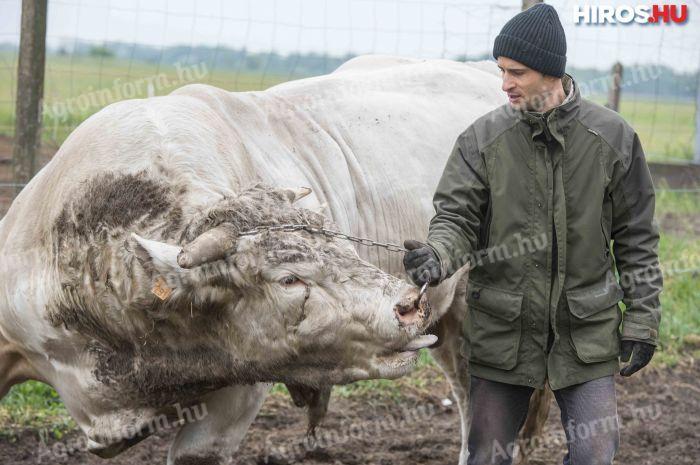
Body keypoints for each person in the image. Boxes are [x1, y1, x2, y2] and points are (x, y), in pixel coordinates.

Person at [403, 4, 662, 465]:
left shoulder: (613, 140)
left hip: (585, 334)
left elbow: (636, 238)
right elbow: (456, 219)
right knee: (486, 456)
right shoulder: (481, 141)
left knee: (595, 455)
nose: (504, 84)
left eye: (516, 72)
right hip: (504, 334)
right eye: (501, 71)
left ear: (551, 72)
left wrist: (642, 320)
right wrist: (438, 256)